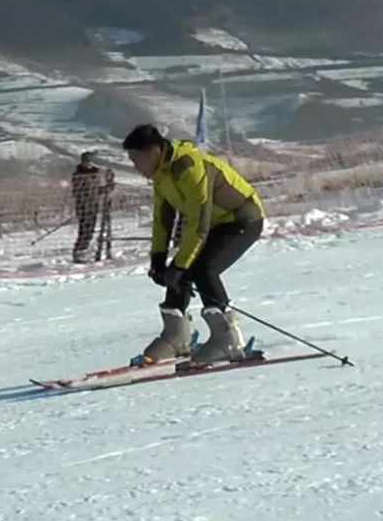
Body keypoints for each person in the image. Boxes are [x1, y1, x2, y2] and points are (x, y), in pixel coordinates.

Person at [121, 124, 265, 366]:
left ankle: (229, 340)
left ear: (153, 152)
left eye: (136, 160)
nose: (136, 168)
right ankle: (177, 337)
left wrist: (178, 266)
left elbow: (199, 223)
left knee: (202, 269)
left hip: (241, 219)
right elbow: (163, 220)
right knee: (182, 270)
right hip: (214, 223)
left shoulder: (189, 167)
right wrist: (158, 259)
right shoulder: (161, 174)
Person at [69, 151, 102, 263]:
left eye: (90, 161)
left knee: (90, 231)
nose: (88, 163)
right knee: (84, 231)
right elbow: (77, 191)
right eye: (86, 161)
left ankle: (84, 252)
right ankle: (78, 253)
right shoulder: (78, 175)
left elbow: (97, 190)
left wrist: (105, 188)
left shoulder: (95, 174)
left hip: (93, 206)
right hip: (83, 207)